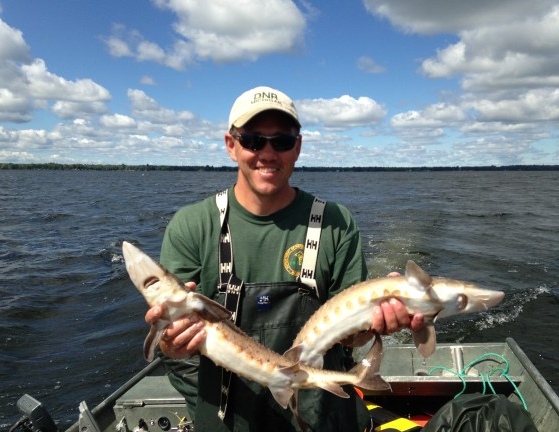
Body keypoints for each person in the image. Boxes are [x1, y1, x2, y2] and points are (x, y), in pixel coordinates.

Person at [145, 86, 424, 431]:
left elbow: (353, 339)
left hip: (321, 413)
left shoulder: (336, 223)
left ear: (298, 147)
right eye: (252, 140)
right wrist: (172, 344)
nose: (267, 153)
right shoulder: (192, 226)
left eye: (282, 141)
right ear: (231, 146)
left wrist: (374, 322)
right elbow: (174, 351)